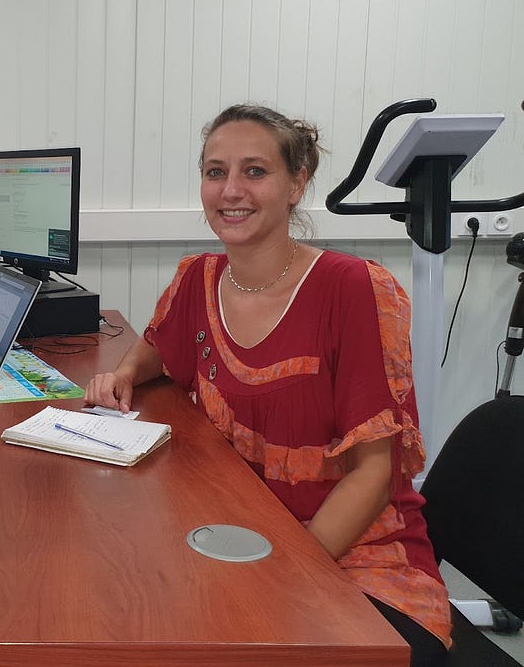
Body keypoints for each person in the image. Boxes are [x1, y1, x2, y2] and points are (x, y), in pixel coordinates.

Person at [85, 104, 452, 666]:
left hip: (350, 561)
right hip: (235, 536)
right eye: (215, 172)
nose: (231, 190)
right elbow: (159, 346)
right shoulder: (199, 278)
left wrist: (283, 576)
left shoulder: (354, 290)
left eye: (255, 171)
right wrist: (127, 373)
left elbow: (375, 472)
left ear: (296, 184)